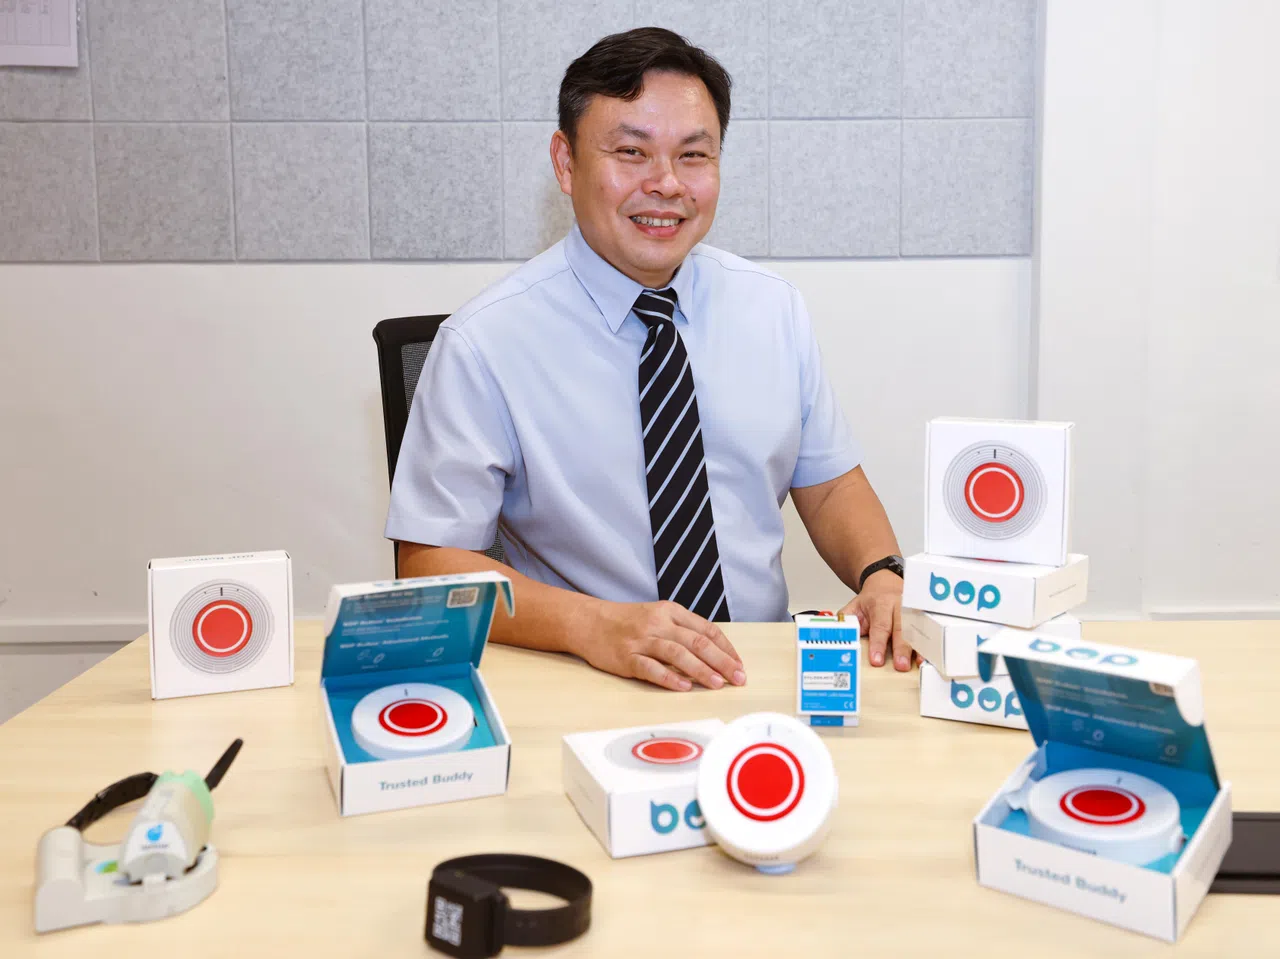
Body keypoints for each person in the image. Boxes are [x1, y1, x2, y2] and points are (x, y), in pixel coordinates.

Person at [386, 27, 913, 691]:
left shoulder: (771, 308)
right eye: (631, 152)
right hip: (587, 679)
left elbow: (831, 484)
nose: (666, 184)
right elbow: (430, 565)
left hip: (756, 677)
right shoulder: (484, 341)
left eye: (693, 155)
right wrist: (594, 626)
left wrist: (882, 573)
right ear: (566, 163)